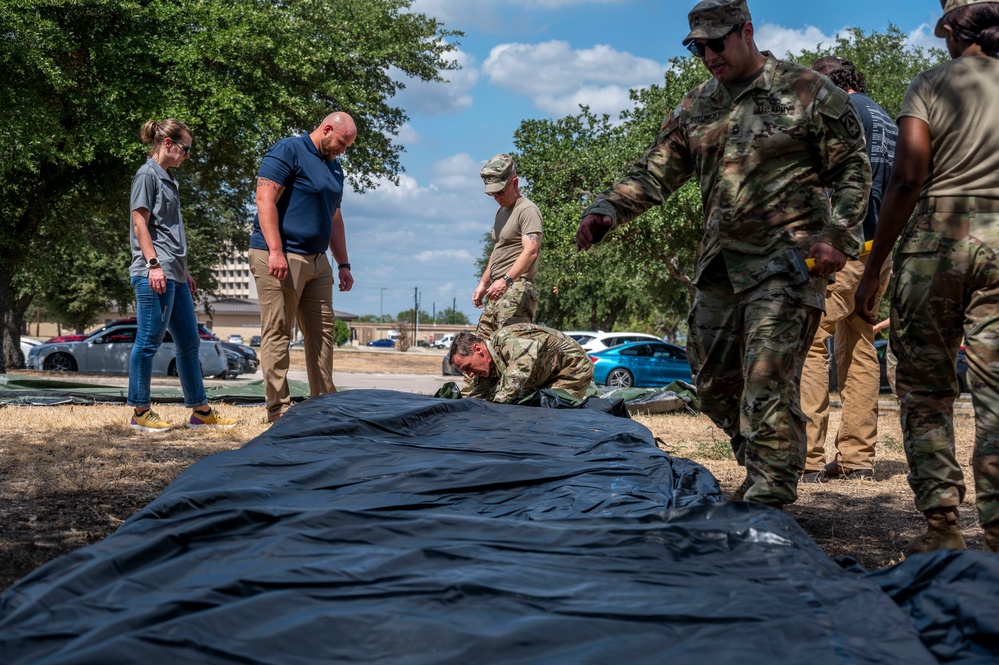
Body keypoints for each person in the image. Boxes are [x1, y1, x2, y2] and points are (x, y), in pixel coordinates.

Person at [576, 0, 871, 507]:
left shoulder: (807, 91)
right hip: (721, 268)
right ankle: (768, 457)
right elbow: (655, 171)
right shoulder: (696, 106)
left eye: (717, 42)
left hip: (788, 264)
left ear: (747, 31)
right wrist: (607, 209)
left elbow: (852, 169)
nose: (708, 54)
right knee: (712, 386)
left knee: (766, 381)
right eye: (698, 47)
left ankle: (769, 497)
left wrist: (838, 236)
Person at [855, 0, 999, 554]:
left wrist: (873, 272)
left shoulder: (931, 84)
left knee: (924, 388)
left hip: (938, 239)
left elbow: (908, 177)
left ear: (948, 28)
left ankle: (941, 528)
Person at [799, 57, 898, 483]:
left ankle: (805, 456)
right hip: (880, 251)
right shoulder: (888, 119)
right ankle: (857, 459)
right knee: (858, 347)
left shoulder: (838, 111)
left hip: (842, 248)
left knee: (809, 342)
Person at [128, 119, 238, 432]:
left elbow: (169, 230)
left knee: (189, 343)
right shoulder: (146, 175)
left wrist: (183, 270)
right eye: (185, 148)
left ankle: (200, 412)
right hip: (154, 272)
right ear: (167, 143)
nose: (187, 155)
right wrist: (153, 265)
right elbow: (140, 224)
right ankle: (140, 411)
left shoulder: (169, 178)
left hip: (174, 273)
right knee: (148, 342)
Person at [249, 112, 357, 423]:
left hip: (318, 260)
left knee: (323, 333)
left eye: (347, 146)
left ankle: (324, 405)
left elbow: (334, 217)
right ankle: (278, 408)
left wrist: (344, 263)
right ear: (326, 129)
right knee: (279, 331)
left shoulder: (334, 167)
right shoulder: (289, 150)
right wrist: (276, 251)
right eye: (340, 142)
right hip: (281, 256)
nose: (342, 150)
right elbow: (264, 199)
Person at [472, 154, 543, 338]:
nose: (496, 197)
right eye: (492, 193)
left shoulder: (527, 210)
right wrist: (483, 283)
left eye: (500, 192)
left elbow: (531, 251)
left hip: (516, 289)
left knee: (510, 351)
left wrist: (505, 281)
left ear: (515, 183)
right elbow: (498, 249)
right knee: (481, 350)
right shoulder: (501, 211)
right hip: (497, 290)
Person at [449, 324, 593, 404]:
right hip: (544, 375)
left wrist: (497, 404)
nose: (470, 374)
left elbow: (517, 375)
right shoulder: (488, 362)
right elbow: (479, 394)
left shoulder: (509, 341)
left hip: (572, 370)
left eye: (467, 367)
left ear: (477, 349)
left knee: (550, 408)